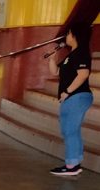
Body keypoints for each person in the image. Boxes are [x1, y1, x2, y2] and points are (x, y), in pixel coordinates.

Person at [47, 24, 93, 177]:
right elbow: (56, 72)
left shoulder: (81, 53)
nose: (66, 37)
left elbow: (83, 74)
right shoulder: (70, 56)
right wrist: (52, 58)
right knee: (69, 130)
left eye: (68, 34)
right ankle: (75, 162)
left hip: (77, 96)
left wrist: (68, 91)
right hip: (70, 98)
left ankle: (71, 165)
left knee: (70, 130)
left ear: (75, 36)